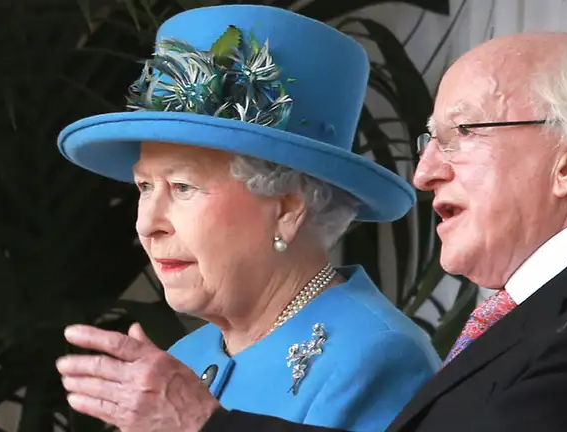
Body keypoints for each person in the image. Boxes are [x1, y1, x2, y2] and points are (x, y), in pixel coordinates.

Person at [56, 30, 567, 432]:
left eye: (460, 135)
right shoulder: (558, 315)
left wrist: (204, 424)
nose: (424, 173)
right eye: (428, 140)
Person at [53, 4, 442, 432]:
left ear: (287, 208)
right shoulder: (184, 359)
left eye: (182, 187)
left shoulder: (376, 359)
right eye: (144, 187)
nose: (148, 225)